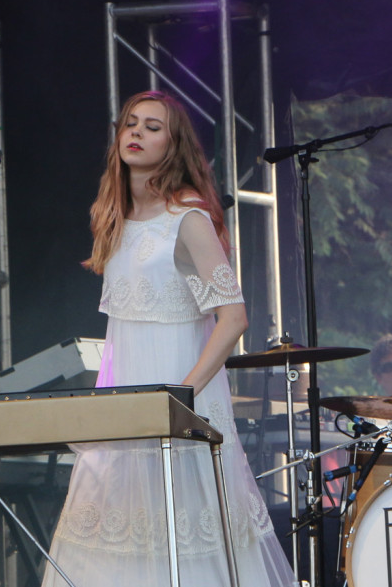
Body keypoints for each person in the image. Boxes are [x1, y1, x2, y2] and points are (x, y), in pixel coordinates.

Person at [41, 91, 295, 587]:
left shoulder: (187, 219)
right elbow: (125, 331)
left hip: (179, 400)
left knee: (186, 542)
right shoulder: (114, 220)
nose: (135, 132)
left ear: (174, 144)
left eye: (152, 126)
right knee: (115, 542)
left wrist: (183, 395)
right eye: (130, 123)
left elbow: (233, 317)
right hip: (127, 404)